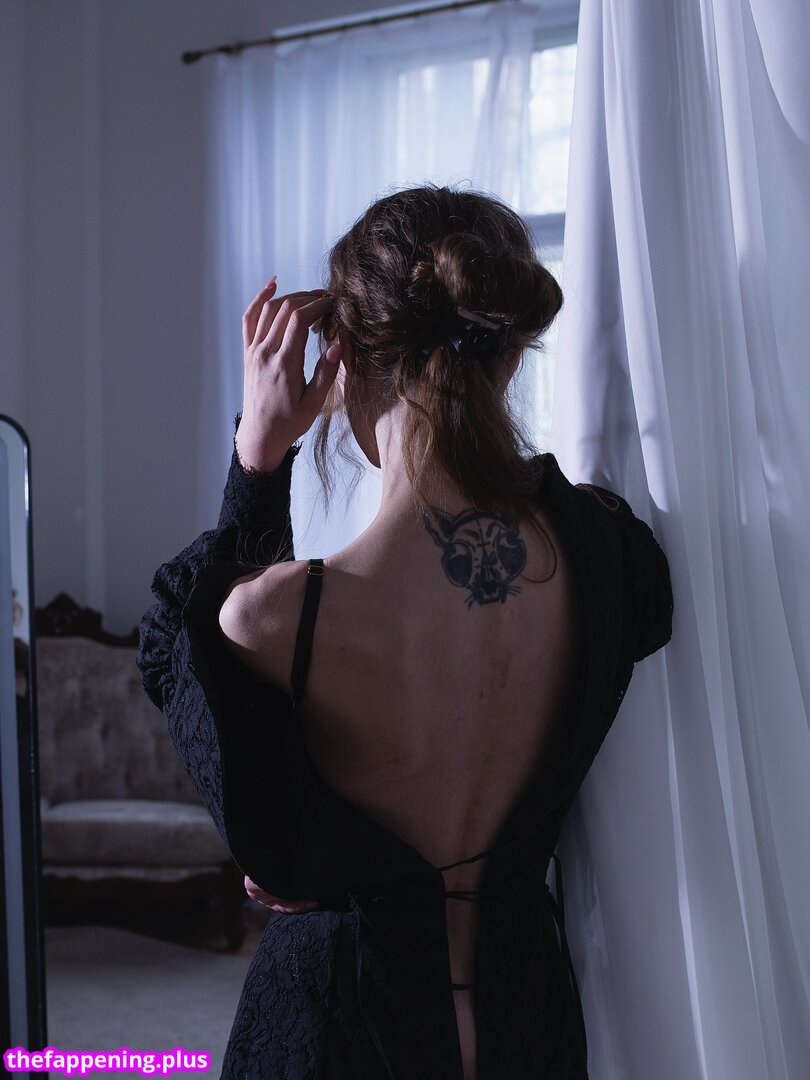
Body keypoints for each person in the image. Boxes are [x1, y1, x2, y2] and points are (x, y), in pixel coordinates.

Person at [137, 184, 673, 1080]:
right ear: (510, 354)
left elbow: (172, 647)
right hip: (527, 1024)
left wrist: (258, 458)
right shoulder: (609, 557)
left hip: (337, 1033)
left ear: (342, 357)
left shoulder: (274, 617)